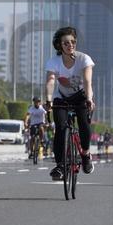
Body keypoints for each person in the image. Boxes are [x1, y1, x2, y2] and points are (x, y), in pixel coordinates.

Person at [44, 26, 95, 180]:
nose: (70, 45)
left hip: (81, 97)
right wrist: (48, 99)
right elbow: (51, 81)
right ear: (59, 45)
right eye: (66, 43)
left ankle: (85, 154)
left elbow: (87, 81)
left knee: (84, 124)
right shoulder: (54, 61)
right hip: (61, 98)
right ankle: (60, 165)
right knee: (60, 128)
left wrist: (89, 99)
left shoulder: (84, 59)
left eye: (73, 42)